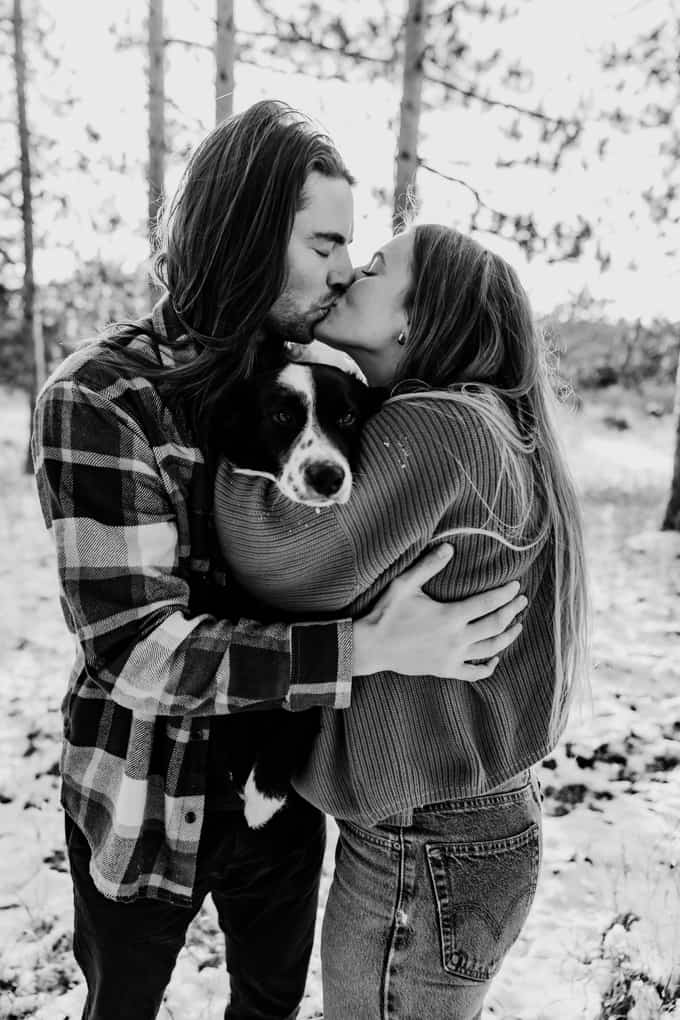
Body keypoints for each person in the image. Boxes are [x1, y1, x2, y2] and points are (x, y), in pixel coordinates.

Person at [30, 100, 525, 1020]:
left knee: (267, 1005)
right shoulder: (102, 397)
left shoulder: (320, 377)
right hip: (145, 794)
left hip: (286, 796)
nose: (345, 272)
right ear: (253, 232)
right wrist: (363, 648)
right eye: (328, 243)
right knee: (120, 1004)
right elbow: (137, 652)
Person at [213, 224, 590, 1019]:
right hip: (449, 829)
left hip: (428, 844)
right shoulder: (479, 420)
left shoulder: (441, 430)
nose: (349, 274)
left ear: (411, 323)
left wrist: (219, 464)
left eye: (376, 269)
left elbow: (274, 553)